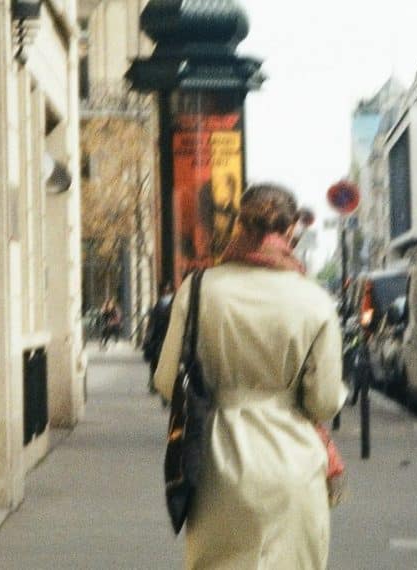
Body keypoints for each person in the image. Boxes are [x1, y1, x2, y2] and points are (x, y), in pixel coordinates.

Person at [155, 183, 348, 569]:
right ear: (291, 230)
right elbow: (325, 402)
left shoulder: (198, 290)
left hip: (216, 466)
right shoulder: (315, 301)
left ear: (238, 224)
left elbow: (166, 379)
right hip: (294, 467)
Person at [142, 283, 175, 393]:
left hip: (159, 339)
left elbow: (152, 325)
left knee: (155, 361)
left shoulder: (158, 306)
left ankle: (154, 382)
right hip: (169, 338)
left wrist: (148, 338)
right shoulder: (175, 305)